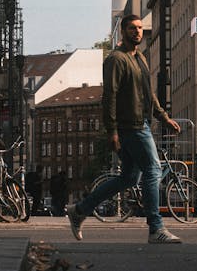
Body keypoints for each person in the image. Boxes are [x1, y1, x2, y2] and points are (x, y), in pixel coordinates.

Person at [67, 14, 182, 244]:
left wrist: (164, 117)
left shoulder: (140, 58)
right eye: (132, 28)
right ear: (123, 32)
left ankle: (80, 210)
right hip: (131, 126)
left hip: (142, 123)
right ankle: (155, 228)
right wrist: (112, 131)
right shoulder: (116, 60)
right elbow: (110, 96)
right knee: (153, 169)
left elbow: (148, 93)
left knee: (129, 177)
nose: (138, 32)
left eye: (140, 28)